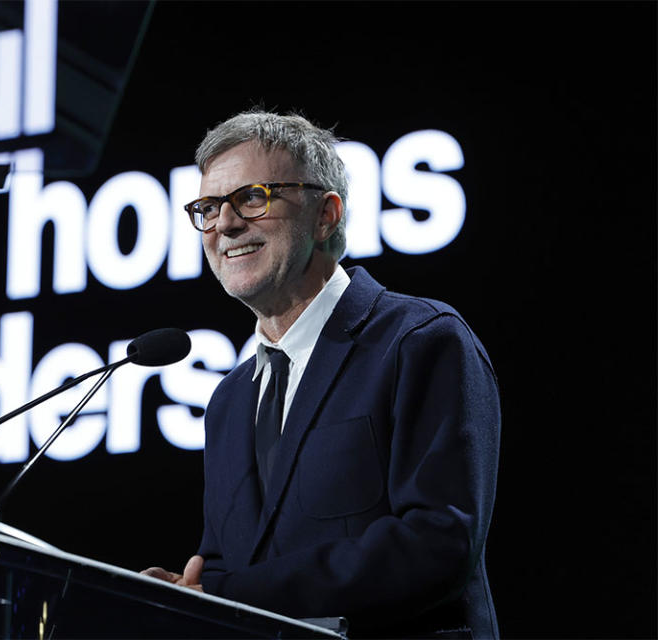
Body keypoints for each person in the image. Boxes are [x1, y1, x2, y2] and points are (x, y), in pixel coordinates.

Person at [142, 110, 501, 639]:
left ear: (325, 215)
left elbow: (436, 544)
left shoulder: (419, 340)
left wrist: (231, 594)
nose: (224, 224)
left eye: (252, 198)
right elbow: (223, 566)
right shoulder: (228, 400)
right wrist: (181, 596)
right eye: (208, 208)